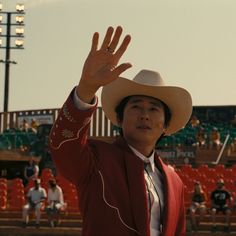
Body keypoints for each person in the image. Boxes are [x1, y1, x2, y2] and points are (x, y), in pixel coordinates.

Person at [49, 26, 192, 236]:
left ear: (165, 125)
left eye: (154, 109)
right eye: (135, 106)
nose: (145, 115)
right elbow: (64, 148)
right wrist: (86, 88)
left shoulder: (174, 181)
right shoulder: (95, 160)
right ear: (119, 118)